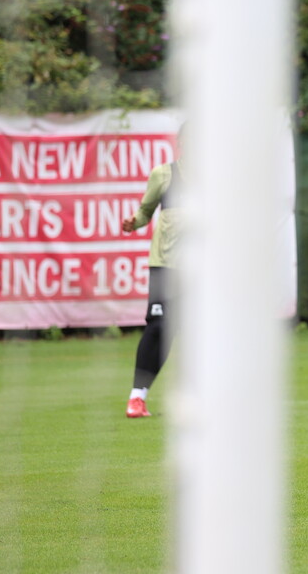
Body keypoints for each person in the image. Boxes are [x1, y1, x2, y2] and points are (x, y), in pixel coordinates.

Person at [122, 133, 185, 418]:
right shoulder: (164, 174)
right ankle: (137, 398)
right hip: (166, 266)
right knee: (160, 328)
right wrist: (133, 222)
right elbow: (145, 212)